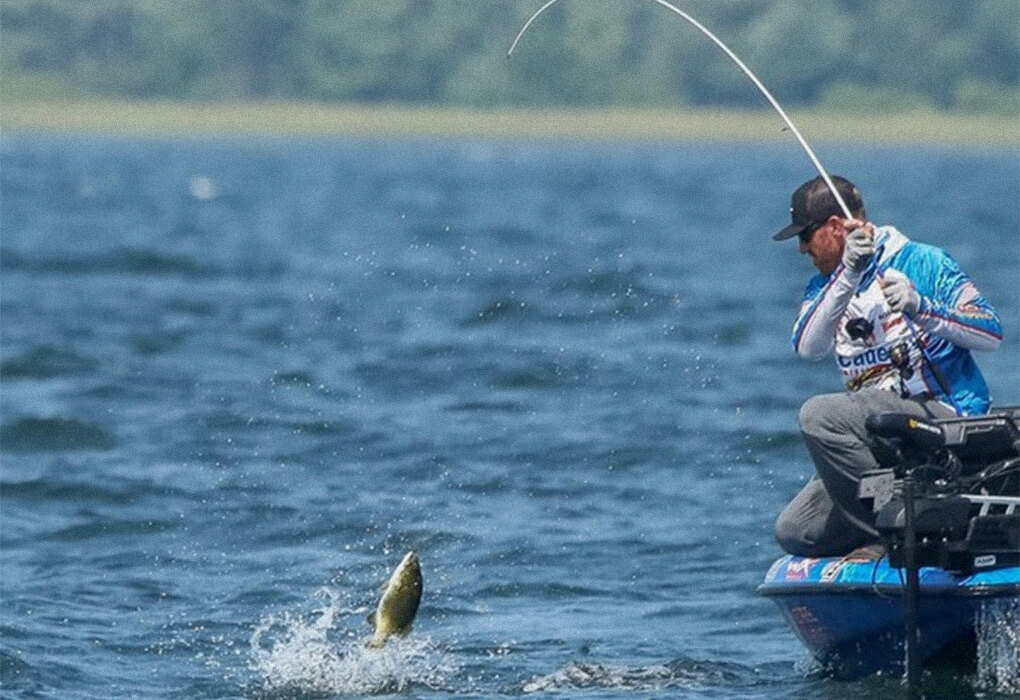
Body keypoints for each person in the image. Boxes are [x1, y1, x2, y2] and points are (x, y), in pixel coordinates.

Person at [771, 175, 1002, 557]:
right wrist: (849, 273)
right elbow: (808, 347)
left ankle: (893, 536)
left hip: (940, 417)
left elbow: (990, 333)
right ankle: (892, 520)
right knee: (796, 530)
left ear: (833, 228)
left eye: (805, 236)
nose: (801, 249)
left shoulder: (924, 260)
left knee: (819, 415)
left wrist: (922, 308)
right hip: (878, 433)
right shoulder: (827, 284)